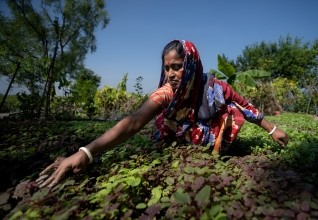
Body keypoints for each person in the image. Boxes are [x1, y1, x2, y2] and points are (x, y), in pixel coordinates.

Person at [36, 40, 288, 188]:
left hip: (207, 131)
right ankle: (177, 144)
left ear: (190, 64)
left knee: (232, 111)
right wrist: (86, 152)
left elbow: (247, 107)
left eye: (177, 67)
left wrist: (273, 129)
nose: (170, 74)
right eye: (167, 68)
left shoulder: (216, 87)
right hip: (180, 132)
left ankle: (211, 147)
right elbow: (133, 122)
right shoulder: (167, 92)